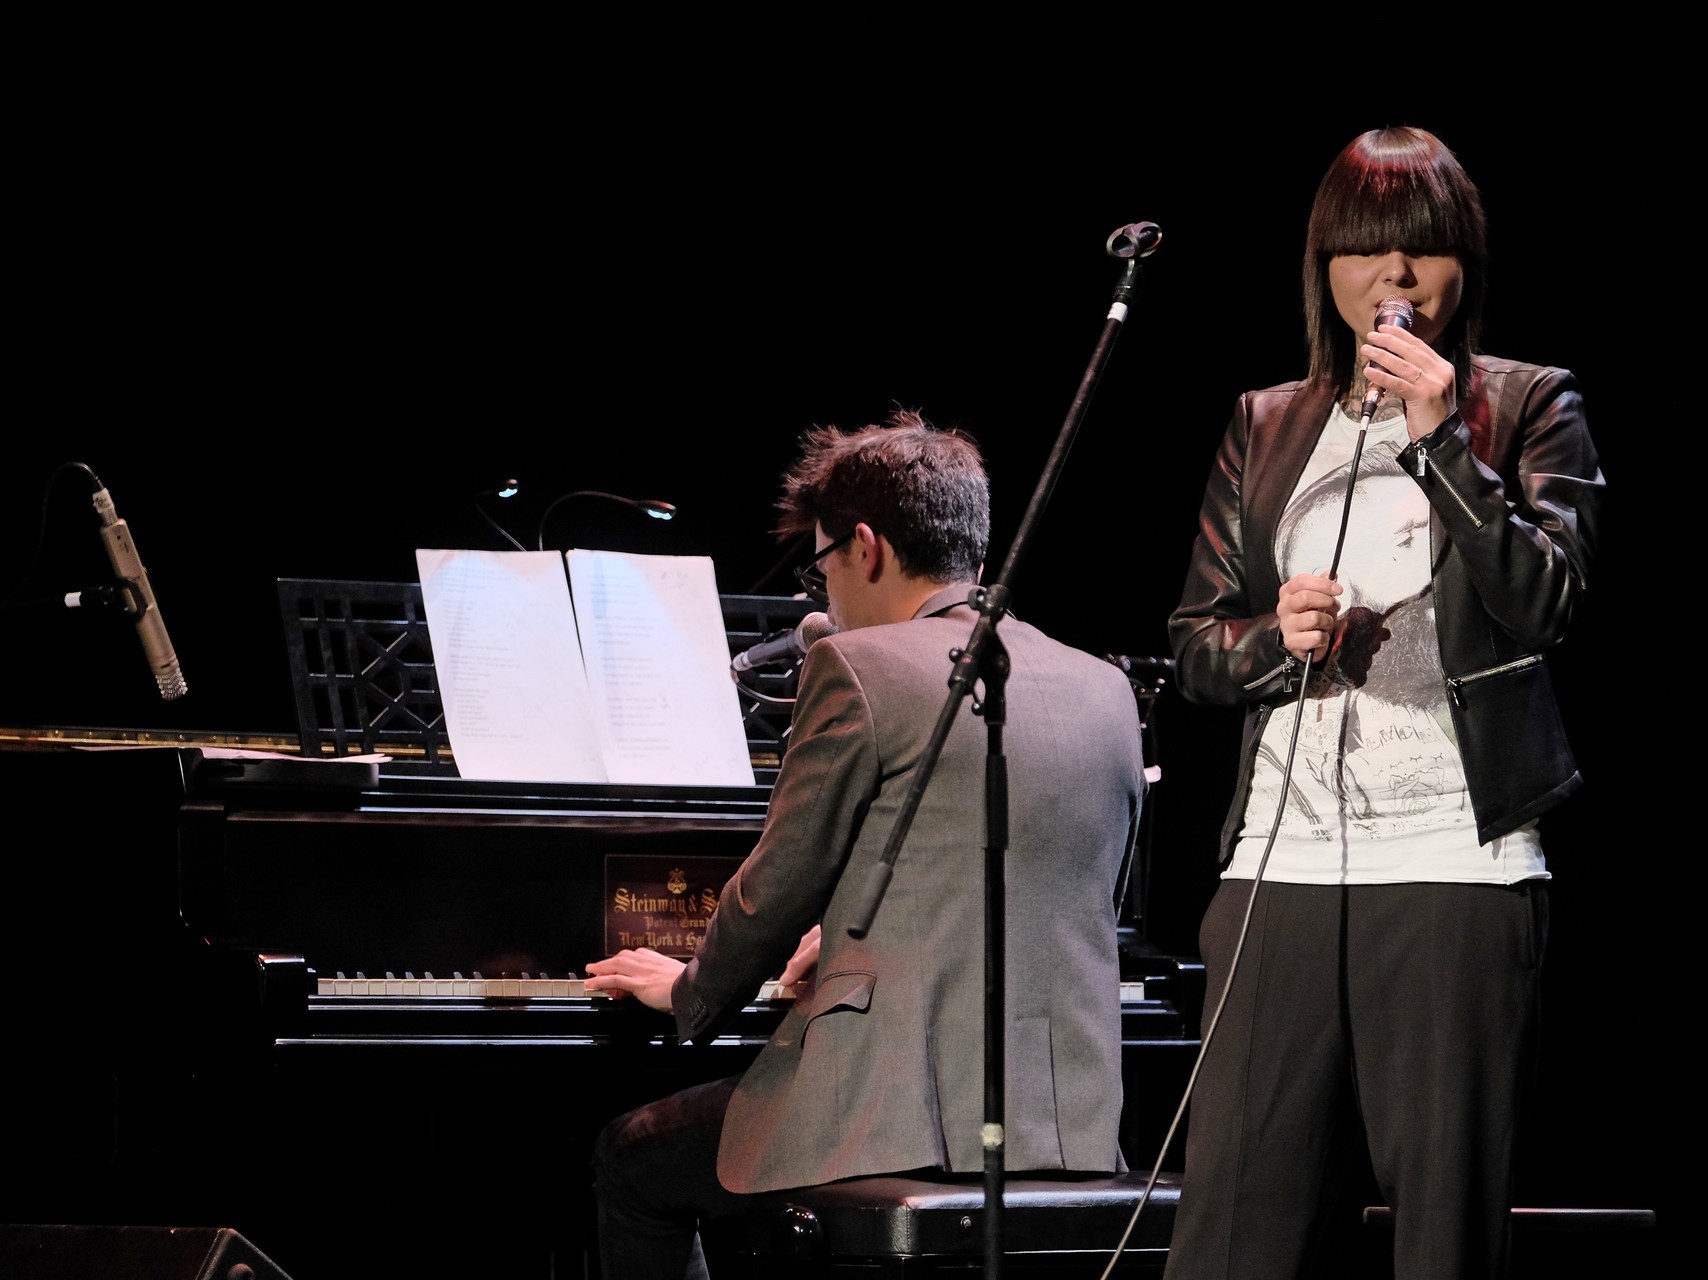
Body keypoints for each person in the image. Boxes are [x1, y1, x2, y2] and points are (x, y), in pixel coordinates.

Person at [1162, 126, 1604, 1280]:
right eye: (1365, 249)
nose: (1395, 275)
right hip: (1281, 864)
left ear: (1464, 266)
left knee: (1440, 1229)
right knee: (1229, 1227)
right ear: (1326, 268)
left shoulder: (1530, 403)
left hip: (1458, 859)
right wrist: (1275, 638)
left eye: (1423, 249)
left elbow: (1546, 599)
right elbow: (1195, 643)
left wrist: (1441, 437)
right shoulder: (1266, 423)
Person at [584, 408, 1147, 1280]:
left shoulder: (858, 666)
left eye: (823, 566)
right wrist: (863, 936)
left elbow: (775, 888)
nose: (826, 595)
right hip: (1066, 1116)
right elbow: (1070, 895)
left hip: (893, 1106)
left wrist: (690, 990)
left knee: (634, 1157)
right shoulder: (1107, 688)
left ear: (866, 548)